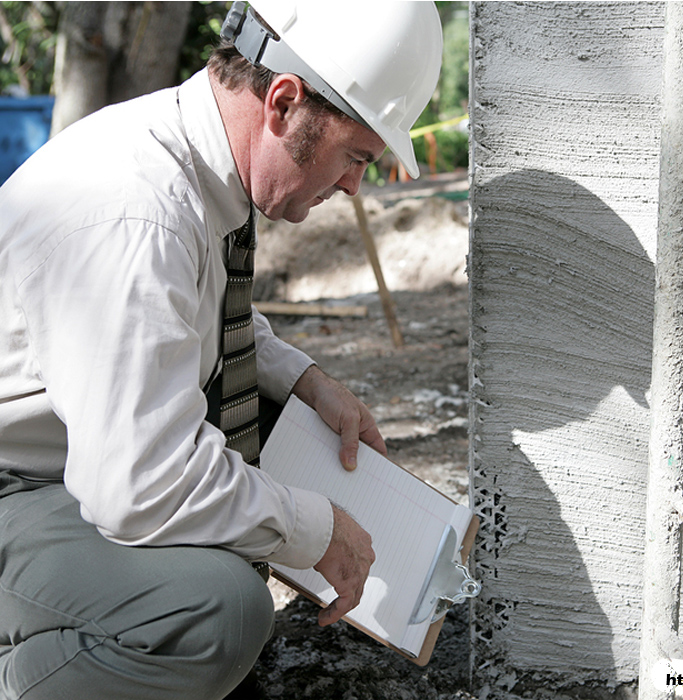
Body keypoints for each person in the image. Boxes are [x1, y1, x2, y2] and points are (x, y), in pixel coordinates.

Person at [0, 1, 442, 698]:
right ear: (284, 103)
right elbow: (139, 485)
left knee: (276, 430)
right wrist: (314, 527)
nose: (356, 185)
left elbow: (184, 312)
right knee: (215, 609)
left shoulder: (191, 162)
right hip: (16, 483)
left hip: (63, 454)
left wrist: (303, 379)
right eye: (356, 156)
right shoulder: (135, 211)